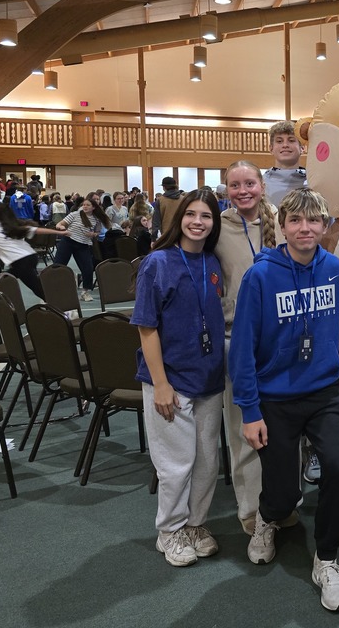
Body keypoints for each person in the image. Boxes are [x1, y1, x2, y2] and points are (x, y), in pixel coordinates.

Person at [227, 188, 339, 612]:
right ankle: (268, 519)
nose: (305, 228)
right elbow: (242, 348)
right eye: (296, 221)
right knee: (282, 495)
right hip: (275, 397)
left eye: (313, 220)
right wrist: (250, 409)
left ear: (324, 225)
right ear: (281, 226)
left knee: (338, 467)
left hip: (324, 391)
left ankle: (328, 559)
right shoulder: (260, 276)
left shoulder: (332, 267)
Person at [132, 188, 225, 568]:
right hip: (170, 378)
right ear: (179, 218)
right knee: (176, 464)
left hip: (209, 378)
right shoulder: (158, 262)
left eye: (206, 216)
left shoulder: (213, 261)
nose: (198, 222)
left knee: (207, 461)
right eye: (192, 214)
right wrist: (161, 383)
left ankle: (196, 524)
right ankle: (169, 531)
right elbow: (146, 326)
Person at [213, 160, 279, 536]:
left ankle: (284, 501)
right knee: (244, 430)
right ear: (226, 189)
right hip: (234, 338)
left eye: (249, 183)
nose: (243, 191)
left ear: (262, 185)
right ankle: (251, 511)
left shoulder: (282, 222)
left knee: (284, 429)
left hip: (278, 341)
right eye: (235, 185)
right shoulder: (216, 228)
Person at [54, 196, 111, 301]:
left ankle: (85, 292)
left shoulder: (96, 219)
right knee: (58, 267)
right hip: (68, 242)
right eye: (84, 205)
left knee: (88, 268)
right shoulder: (74, 214)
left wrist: (93, 234)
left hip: (83, 245)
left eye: (88, 205)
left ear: (93, 207)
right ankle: (52, 290)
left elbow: (98, 232)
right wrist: (60, 227)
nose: (85, 207)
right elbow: (60, 223)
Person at [263, 120, 308, 207]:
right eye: (279, 141)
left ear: (302, 147)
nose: (285, 145)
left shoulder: (312, 183)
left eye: (291, 140)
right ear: (271, 148)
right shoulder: (260, 184)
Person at [153, 176, 185, 240]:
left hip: (165, 235)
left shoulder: (160, 200)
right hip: (182, 233)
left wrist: (154, 238)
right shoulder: (183, 199)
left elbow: (156, 221)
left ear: (164, 187)